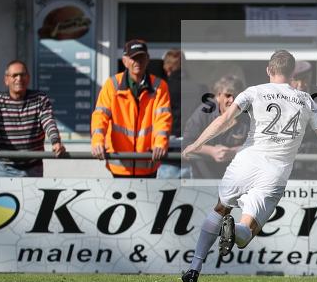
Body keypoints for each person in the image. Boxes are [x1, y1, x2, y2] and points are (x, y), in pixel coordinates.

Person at [180, 50, 317, 282]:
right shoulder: (307, 100)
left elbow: (222, 121)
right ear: (292, 72)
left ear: (268, 70)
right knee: (246, 231)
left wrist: (196, 144)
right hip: (275, 171)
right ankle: (237, 231)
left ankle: (195, 267)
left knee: (221, 207)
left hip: (246, 161)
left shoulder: (253, 92)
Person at [91, 39, 172, 178]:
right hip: (119, 165)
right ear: (125, 61)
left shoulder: (159, 86)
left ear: (147, 60)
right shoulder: (112, 85)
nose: (137, 62)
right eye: (133, 58)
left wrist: (160, 143)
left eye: (141, 57)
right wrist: (97, 140)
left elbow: (163, 120)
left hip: (149, 164)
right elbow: (100, 116)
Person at [0, 60, 66, 177]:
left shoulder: (40, 99)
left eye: (22, 75)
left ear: (28, 78)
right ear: (6, 80)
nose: (19, 79)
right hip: (3, 168)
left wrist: (56, 142)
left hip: (33, 167)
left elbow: (49, 122)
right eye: (14, 75)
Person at [183, 75, 249, 179]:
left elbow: (259, 146)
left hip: (238, 178)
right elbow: (186, 143)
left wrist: (233, 152)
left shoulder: (248, 115)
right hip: (203, 177)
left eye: (236, 96)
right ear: (218, 96)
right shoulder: (204, 112)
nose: (232, 100)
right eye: (228, 95)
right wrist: (211, 151)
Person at [157, 49, 187, 179]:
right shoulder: (200, 88)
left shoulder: (162, 89)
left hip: (169, 155)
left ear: (167, 67)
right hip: (192, 158)